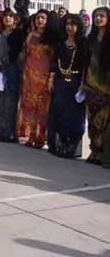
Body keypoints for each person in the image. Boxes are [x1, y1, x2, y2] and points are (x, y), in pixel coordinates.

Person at [47, 14, 88, 158]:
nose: (69, 27)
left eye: (72, 24)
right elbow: (54, 61)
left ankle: (71, 145)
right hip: (60, 81)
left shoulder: (83, 43)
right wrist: (51, 80)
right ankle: (60, 143)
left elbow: (85, 65)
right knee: (58, 111)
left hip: (76, 82)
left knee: (74, 114)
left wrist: (82, 83)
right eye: (67, 24)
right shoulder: (61, 42)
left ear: (78, 26)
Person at [18, 9, 59, 148]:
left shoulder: (52, 38)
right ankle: (30, 136)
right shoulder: (30, 35)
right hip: (29, 75)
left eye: (43, 18)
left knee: (43, 108)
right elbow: (24, 52)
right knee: (29, 105)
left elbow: (54, 59)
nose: (40, 20)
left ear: (48, 21)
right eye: (37, 18)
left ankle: (41, 138)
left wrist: (52, 77)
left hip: (44, 77)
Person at [0, 10, 25, 142]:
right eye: (5, 16)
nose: (7, 18)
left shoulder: (18, 34)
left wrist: (0, 63)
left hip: (10, 71)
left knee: (9, 102)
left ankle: (8, 133)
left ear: (15, 19)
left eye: (10, 16)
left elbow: (15, 53)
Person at [84, 6, 110, 165]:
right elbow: (85, 62)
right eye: (96, 16)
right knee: (92, 119)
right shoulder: (91, 39)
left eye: (102, 16)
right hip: (90, 84)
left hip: (106, 86)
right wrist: (82, 83)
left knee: (103, 120)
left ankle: (100, 151)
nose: (98, 18)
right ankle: (93, 149)